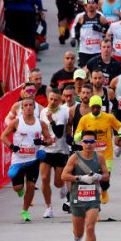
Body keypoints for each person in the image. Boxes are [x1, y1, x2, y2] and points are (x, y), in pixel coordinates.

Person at [0, 96, 53, 222]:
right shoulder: (17, 122)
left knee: (31, 186)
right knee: (18, 187)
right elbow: (3, 136)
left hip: (33, 160)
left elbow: (49, 140)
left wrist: (42, 142)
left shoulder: (40, 123)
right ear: (22, 108)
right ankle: (19, 189)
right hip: (18, 159)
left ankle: (25, 211)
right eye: (26, 105)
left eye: (31, 105)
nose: (28, 107)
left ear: (34, 108)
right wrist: (12, 146)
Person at [61, 130, 109, 241]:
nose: (89, 144)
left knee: (90, 228)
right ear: (81, 142)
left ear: (95, 143)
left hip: (93, 199)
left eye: (91, 142)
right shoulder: (74, 157)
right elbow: (64, 176)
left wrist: (98, 177)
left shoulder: (99, 157)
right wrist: (80, 178)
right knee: (79, 232)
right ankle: (77, 235)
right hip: (77, 199)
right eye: (86, 141)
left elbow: (106, 175)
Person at [74, 94, 121, 204]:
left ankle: (104, 190)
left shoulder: (108, 117)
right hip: (91, 156)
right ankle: (96, 206)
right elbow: (76, 137)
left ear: (101, 107)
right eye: (93, 107)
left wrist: (120, 136)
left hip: (106, 155)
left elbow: (120, 126)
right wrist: (83, 133)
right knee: (92, 182)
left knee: (105, 180)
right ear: (90, 107)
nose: (96, 109)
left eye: (98, 107)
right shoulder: (84, 119)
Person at [38, 89, 72, 218]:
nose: (53, 102)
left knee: (58, 182)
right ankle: (49, 208)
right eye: (51, 99)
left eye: (56, 100)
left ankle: (62, 187)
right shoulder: (42, 112)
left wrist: (51, 121)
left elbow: (58, 133)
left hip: (60, 150)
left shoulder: (63, 112)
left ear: (60, 100)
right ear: (48, 98)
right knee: (45, 178)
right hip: (46, 150)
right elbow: (41, 129)